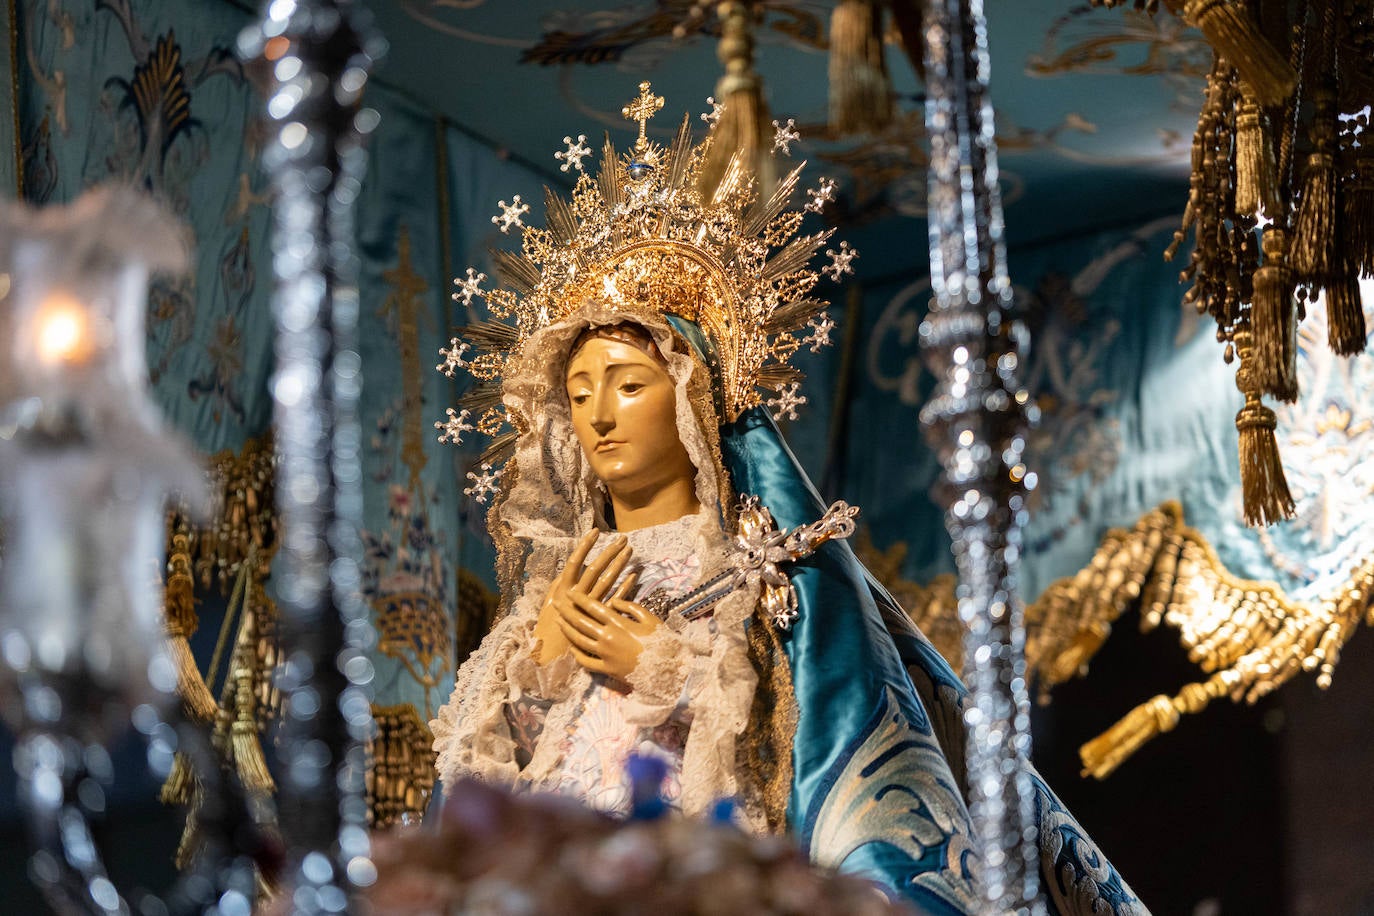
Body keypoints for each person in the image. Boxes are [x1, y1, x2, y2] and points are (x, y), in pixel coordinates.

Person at [430, 83, 1144, 913]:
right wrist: (540, 666)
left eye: (627, 384)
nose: (597, 412)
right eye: (579, 389)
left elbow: (799, 753)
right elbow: (484, 781)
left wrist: (656, 670)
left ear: (693, 397)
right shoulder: (560, 585)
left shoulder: (755, 569)